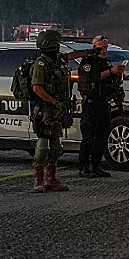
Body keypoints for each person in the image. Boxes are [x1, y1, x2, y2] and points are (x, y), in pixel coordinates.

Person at [30, 30, 90, 193]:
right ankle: (39, 179)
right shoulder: (40, 65)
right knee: (43, 147)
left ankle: (51, 179)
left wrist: (87, 52)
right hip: (45, 111)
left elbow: (70, 56)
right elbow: (37, 88)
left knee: (56, 146)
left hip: (57, 111)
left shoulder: (57, 60)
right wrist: (54, 101)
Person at [77, 35, 125, 178]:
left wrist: (119, 73)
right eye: (102, 47)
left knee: (102, 137)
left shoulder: (106, 63)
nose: (104, 50)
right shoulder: (88, 62)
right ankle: (84, 166)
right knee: (89, 137)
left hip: (104, 104)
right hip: (92, 104)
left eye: (106, 47)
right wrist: (111, 71)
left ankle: (96, 165)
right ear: (94, 47)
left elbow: (115, 82)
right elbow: (92, 78)